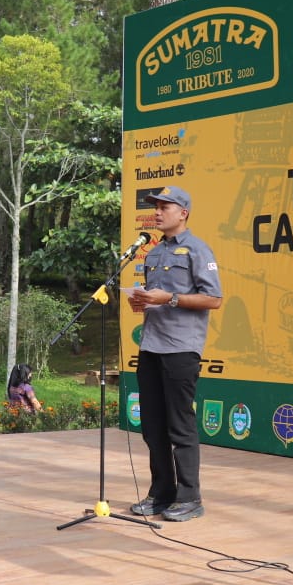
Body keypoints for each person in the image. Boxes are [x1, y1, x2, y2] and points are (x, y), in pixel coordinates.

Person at [125, 186, 222, 522]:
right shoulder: (152, 253)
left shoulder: (197, 249)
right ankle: (162, 493)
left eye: (165, 206)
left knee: (180, 426)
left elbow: (214, 299)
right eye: (156, 207)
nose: (158, 211)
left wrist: (170, 299)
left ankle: (190, 497)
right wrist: (139, 300)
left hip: (181, 348)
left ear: (183, 213)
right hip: (151, 345)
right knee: (152, 426)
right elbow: (155, 297)